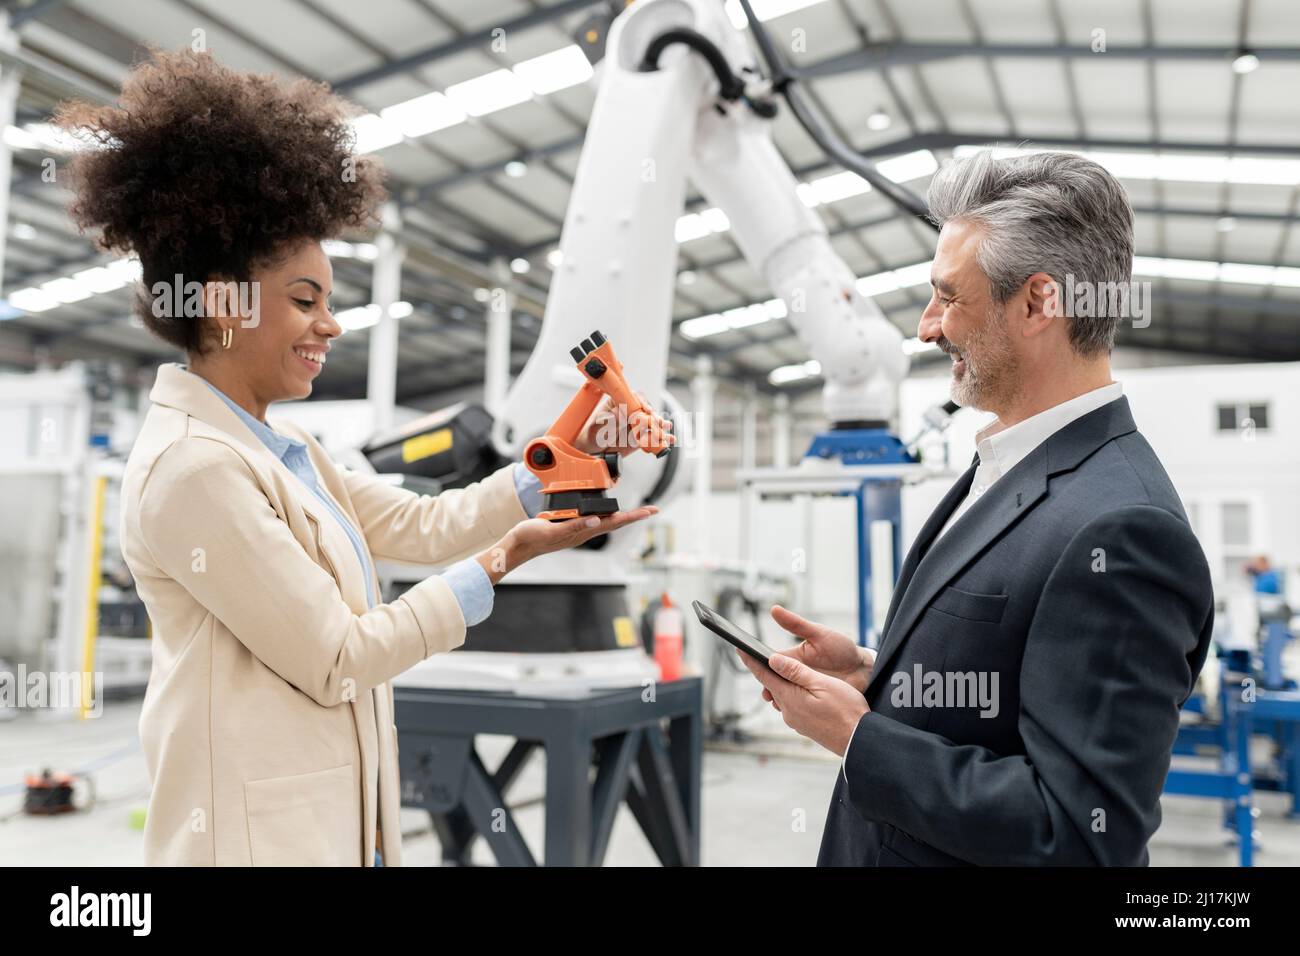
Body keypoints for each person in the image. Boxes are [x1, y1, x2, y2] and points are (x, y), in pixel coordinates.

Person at [57, 50, 663, 866]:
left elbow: (413, 525)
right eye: (305, 300)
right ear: (223, 304)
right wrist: (498, 564)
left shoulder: (281, 445)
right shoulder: (194, 470)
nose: (331, 325)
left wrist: (538, 478)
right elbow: (340, 656)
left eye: (329, 301)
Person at [739, 150, 1214, 866]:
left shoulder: (1123, 530)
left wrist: (859, 737)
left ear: (1037, 303)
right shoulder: (1006, 466)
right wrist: (882, 676)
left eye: (949, 297)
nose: (929, 327)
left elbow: (1080, 838)